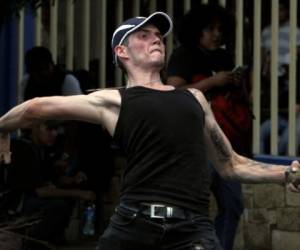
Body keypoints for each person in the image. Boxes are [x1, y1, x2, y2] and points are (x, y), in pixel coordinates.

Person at [0, 12, 300, 250]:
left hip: (192, 229)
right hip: (132, 225)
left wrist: (284, 173)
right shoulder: (113, 100)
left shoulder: (193, 98)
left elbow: (231, 164)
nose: (156, 39)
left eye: (158, 35)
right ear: (122, 51)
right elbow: (35, 108)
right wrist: (2, 129)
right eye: (144, 36)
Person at [166, 5, 251, 249]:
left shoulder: (222, 57)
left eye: (220, 29)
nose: (216, 34)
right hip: (195, 145)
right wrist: (213, 81)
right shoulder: (184, 55)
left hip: (224, 144)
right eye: (210, 29)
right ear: (196, 31)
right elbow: (174, 93)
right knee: (190, 208)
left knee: (233, 204)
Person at [4, 122, 96, 249]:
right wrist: (79, 193)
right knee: (58, 205)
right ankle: (31, 244)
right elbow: (40, 191)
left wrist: (73, 179)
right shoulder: (24, 148)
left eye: (56, 129)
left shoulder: (42, 149)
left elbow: (54, 178)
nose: (54, 134)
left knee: (68, 195)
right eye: (50, 129)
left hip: (32, 196)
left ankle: (55, 238)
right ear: (35, 127)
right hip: (17, 202)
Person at [260, 0, 300, 155]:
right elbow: (262, 60)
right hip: (274, 83)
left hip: (294, 118)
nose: (279, 13)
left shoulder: (295, 32)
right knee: (262, 132)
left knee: (288, 139)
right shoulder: (266, 31)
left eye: (282, 10)